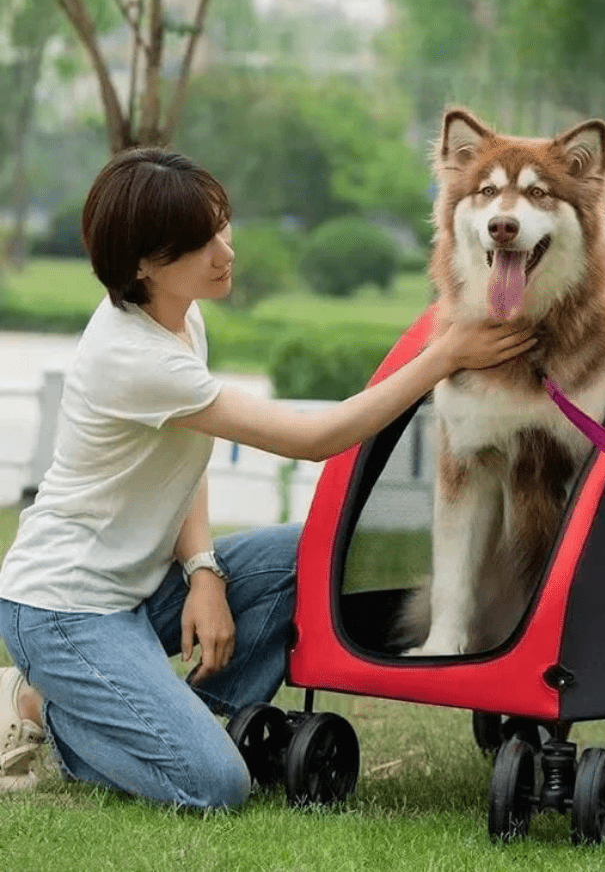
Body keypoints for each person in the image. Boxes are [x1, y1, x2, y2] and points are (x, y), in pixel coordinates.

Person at [0, 147, 536, 806]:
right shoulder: (132, 355)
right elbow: (313, 439)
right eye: (200, 243)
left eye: (222, 226)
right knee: (214, 784)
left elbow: (190, 442)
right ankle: (46, 707)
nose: (225, 250)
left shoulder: (179, 316)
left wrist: (203, 570)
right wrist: (444, 353)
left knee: (304, 552)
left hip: (138, 589)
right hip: (63, 610)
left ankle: (179, 715)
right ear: (143, 264)